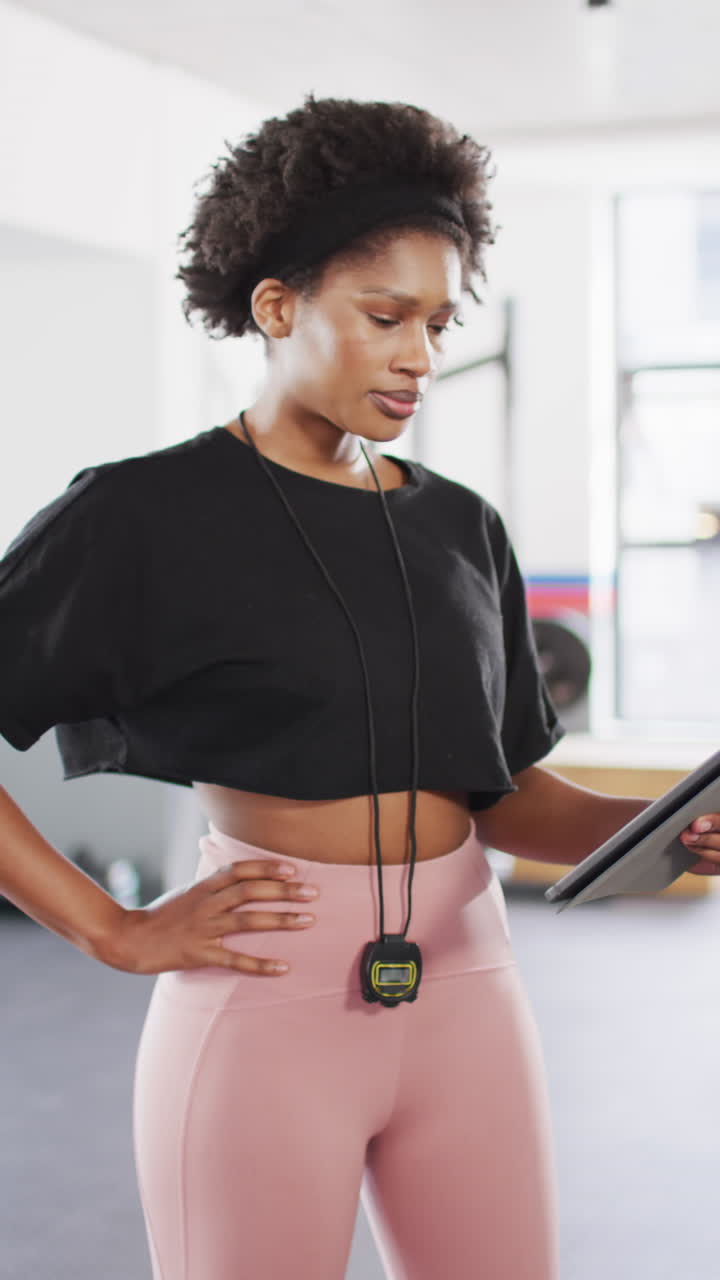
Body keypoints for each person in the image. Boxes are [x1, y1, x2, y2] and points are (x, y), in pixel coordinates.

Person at [0, 94, 718, 1280]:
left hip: (467, 976)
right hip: (264, 987)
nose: (421, 356)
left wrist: (661, 830)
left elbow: (504, 788)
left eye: (439, 321)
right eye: (386, 316)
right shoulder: (141, 514)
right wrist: (111, 929)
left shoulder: (459, 526)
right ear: (276, 305)